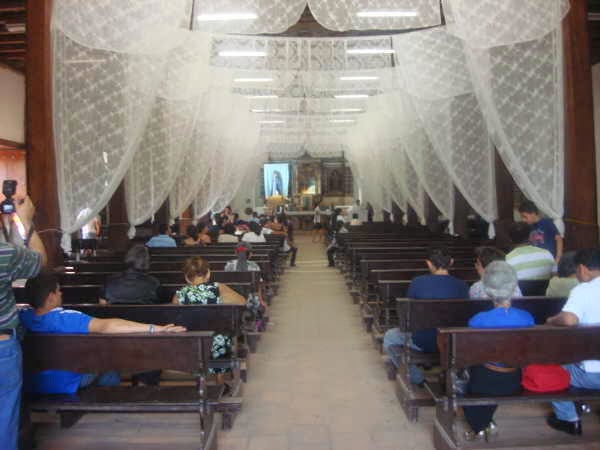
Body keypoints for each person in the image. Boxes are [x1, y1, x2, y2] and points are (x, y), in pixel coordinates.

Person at [19, 272, 186, 395]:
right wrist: (154, 328)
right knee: (107, 360)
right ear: (50, 297)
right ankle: (113, 397)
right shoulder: (67, 318)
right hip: (64, 383)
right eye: (58, 290)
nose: (61, 293)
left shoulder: (20, 317)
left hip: (30, 384)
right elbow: (107, 326)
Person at [462, 261, 535, 441]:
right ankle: (485, 423)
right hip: (516, 378)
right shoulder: (527, 317)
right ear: (513, 287)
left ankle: (479, 426)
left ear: (487, 289)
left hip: (484, 381)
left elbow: (471, 352)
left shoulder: (478, 320)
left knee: (465, 381)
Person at [383, 247, 469, 384]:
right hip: (452, 341)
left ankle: (417, 378)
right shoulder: (462, 285)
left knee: (389, 337)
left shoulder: (418, 282)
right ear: (451, 262)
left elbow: (409, 315)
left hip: (422, 340)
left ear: (428, 263)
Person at [0, 196, 46, 450]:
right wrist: (26, 222)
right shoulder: (4, 253)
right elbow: (39, 262)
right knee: (4, 422)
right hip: (1, 347)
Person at [545, 249, 600, 436]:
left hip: (591, 375)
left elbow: (569, 320)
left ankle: (568, 419)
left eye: (576, 271)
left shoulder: (584, 290)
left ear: (583, 269)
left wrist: (552, 320)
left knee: (550, 369)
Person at [172, 257, 246, 375]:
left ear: (186, 277)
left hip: (192, 344)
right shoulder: (218, 288)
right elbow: (242, 302)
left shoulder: (179, 295)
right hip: (216, 342)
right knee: (223, 332)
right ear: (208, 274)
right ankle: (219, 377)